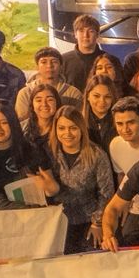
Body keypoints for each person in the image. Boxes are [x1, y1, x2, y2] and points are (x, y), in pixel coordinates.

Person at [48, 104, 116, 252]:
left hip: (88, 221)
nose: (67, 133)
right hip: (57, 222)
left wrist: (97, 223)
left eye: (73, 128)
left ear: (81, 129)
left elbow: (106, 192)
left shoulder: (96, 155)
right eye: (61, 128)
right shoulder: (50, 153)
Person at [0, 102, 57, 204]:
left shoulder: (32, 151)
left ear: (13, 124)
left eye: (4, 123)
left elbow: (51, 188)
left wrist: (51, 189)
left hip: (30, 211)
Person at [105, 97, 139, 246]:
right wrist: (125, 203)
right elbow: (122, 175)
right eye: (120, 124)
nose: (125, 129)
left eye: (131, 122)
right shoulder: (115, 145)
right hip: (136, 210)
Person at [15, 46, 84, 120]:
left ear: (61, 66)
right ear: (37, 67)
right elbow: (22, 122)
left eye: (54, 62)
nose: (49, 66)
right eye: (44, 62)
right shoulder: (26, 93)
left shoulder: (73, 93)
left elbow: (79, 121)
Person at [61, 13, 106, 92]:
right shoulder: (63, 61)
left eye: (91, 31)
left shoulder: (108, 60)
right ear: (75, 34)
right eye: (81, 31)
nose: (86, 35)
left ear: (97, 34)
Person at [21, 84, 61, 157]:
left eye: (50, 100)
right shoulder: (22, 128)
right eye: (39, 100)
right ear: (32, 105)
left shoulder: (64, 129)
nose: (44, 104)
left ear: (57, 103)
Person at [85, 80, 120, 149]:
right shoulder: (78, 121)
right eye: (96, 96)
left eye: (107, 97)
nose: (102, 101)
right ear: (88, 96)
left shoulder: (121, 122)